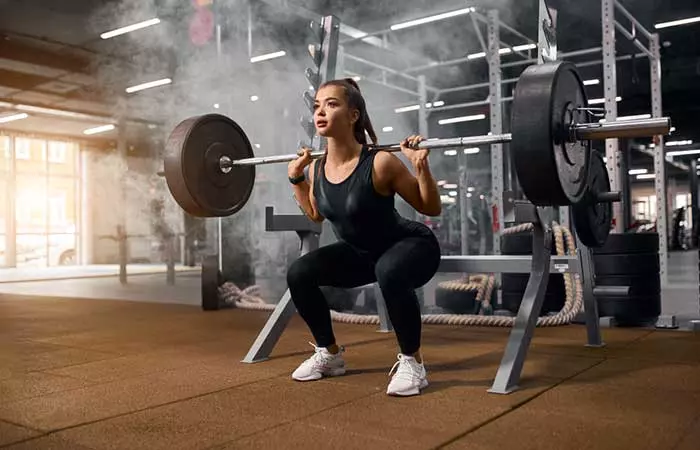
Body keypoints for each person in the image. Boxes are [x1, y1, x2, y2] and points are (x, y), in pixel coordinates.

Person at [286, 78, 442, 397]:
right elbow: (315, 214)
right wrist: (296, 178)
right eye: (317, 106)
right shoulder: (317, 169)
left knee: (389, 270)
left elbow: (431, 207)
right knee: (299, 272)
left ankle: (414, 363)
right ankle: (329, 355)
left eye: (331, 104)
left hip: (410, 246)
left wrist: (421, 167)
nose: (320, 111)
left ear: (353, 115)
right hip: (363, 255)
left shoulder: (380, 162)